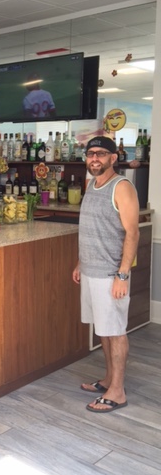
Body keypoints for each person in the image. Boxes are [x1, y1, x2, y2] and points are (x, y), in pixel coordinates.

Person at [72, 135, 139, 413]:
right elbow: (91, 228)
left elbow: (132, 233)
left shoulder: (121, 187)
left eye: (100, 153)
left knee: (116, 331)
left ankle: (118, 392)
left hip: (111, 274)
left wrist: (122, 275)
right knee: (104, 330)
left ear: (113, 158)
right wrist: (80, 262)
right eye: (90, 154)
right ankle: (109, 379)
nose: (94, 158)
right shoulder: (92, 183)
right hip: (90, 270)